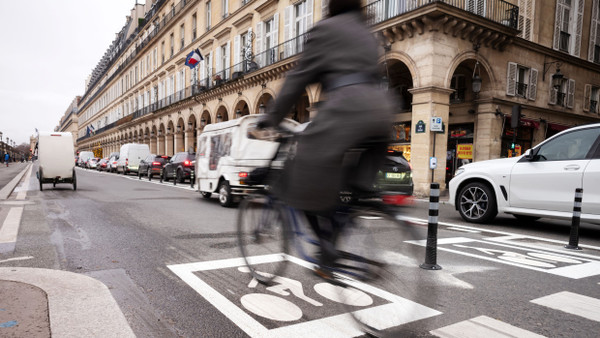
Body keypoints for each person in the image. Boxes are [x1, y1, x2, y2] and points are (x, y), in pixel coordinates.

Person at [257, 0, 394, 278]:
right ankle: (335, 241)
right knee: (350, 193)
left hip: (348, 110)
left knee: (300, 177)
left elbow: (298, 79)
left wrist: (270, 118)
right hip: (382, 113)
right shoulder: (366, 32)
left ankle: (327, 252)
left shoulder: (326, 29)